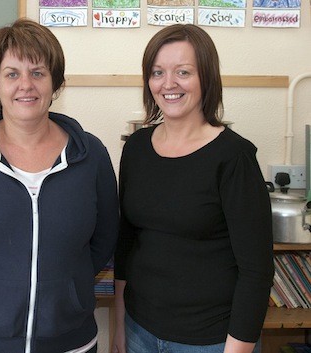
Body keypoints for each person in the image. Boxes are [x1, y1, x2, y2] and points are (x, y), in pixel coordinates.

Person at [0, 18, 119, 353]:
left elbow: (104, 238)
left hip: (70, 342)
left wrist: (69, 290)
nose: (25, 84)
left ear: (55, 83)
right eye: (12, 74)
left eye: (38, 73)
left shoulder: (91, 156)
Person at [112, 24, 273, 353]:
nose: (168, 84)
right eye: (157, 72)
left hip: (212, 340)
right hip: (140, 330)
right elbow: (126, 244)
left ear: (207, 78)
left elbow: (256, 270)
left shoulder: (234, 157)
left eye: (183, 72)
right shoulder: (137, 148)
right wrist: (119, 323)